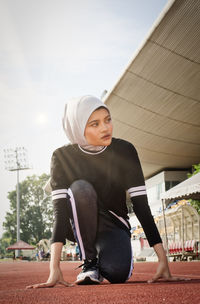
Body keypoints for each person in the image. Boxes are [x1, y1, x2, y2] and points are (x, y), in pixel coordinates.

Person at [27, 95, 184, 289]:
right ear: (77, 127)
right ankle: (90, 262)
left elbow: (141, 206)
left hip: (113, 222)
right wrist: (54, 268)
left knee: (118, 274)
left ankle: (104, 258)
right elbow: (59, 213)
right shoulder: (62, 157)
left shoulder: (125, 151)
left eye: (108, 120)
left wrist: (163, 260)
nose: (105, 128)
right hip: (80, 217)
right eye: (95, 124)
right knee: (80, 189)